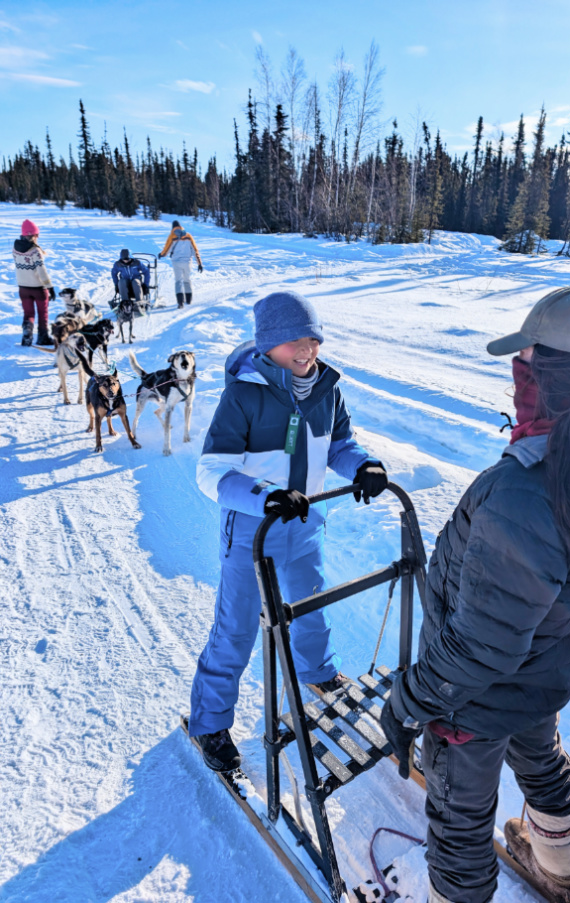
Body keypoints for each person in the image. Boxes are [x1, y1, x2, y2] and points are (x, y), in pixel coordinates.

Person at [380, 285, 570, 903]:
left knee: (460, 817)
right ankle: (557, 868)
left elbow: (477, 649)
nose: (517, 381)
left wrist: (408, 699)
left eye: (527, 365)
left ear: (551, 379)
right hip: (546, 668)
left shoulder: (524, 494)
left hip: (473, 700)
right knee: (541, 760)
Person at [191, 290, 389, 772]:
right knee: (236, 628)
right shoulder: (244, 393)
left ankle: (318, 675)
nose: (306, 350)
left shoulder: (326, 388)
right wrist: (264, 495)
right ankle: (210, 724)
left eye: (313, 338)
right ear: (268, 345)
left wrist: (363, 465)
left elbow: (339, 444)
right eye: (293, 341)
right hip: (252, 533)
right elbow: (211, 471)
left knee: (310, 607)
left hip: (305, 526)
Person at [12, 218, 55, 346]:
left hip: (23, 288)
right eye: (37, 235)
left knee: (28, 313)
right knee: (43, 314)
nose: (38, 237)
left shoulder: (15, 248)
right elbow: (41, 270)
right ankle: (43, 337)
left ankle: (27, 336)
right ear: (33, 235)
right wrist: (50, 287)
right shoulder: (35, 251)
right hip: (38, 289)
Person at [158, 219, 202, 308]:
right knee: (187, 280)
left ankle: (180, 303)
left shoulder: (172, 236)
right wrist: (199, 263)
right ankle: (188, 300)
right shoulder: (188, 236)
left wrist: (161, 254)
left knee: (178, 281)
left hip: (176, 262)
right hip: (187, 262)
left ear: (173, 227)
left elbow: (167, 249)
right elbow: (195, 250)